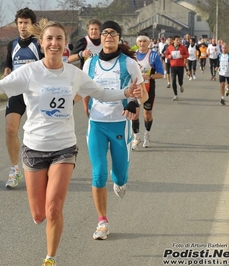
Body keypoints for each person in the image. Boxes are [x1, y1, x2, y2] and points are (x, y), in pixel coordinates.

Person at [0, 18, 145, 266]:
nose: (54, 43)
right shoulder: (29, 72)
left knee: (54, 209)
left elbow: (102, 93)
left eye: (59, 39)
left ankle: (50, 258)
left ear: (66, 45)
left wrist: (125, 93)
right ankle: (44, 225)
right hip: (34, 149)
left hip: (64, 148)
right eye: (49, 39)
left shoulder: (74, 74)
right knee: (39, 214)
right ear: (42, 43)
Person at [81, 21, 148, 241]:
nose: (108, 36)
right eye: (105, 33)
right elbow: (84, 90)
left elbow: (143, 94)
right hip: (97, 125)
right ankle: (102, 222)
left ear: (119, 38)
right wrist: (86, 106)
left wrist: (134, 103)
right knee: (98, 173)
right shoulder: (89, 63)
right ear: (100, 37)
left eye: (113, 33)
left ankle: (119, 180)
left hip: (120, 124)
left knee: (120, 175)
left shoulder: (129, 64)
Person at [2, 8, 43, 188]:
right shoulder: (12, 45)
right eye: (20, 22)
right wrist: (6, 77)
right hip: (17, 92)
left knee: (38, 132)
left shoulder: (39, 43)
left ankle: (43, 166)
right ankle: (14, 169)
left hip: (36, 93)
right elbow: (8, 67)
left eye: (26, 22)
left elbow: (47, 66)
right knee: (10, 129)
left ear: (32, 24)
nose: (23, 26)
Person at [131, 33, 164, 149]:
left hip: (148, 89)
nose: (142, 43)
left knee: (147, 114)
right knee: (134, 114)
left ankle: (147, 134)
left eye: (144, 41)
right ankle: (136, 137)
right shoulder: (132, 56)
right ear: (137, 43)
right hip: (135, 89)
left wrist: (149, 77)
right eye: (140, 41)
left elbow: (161, 74)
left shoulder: (153, 56)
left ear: (149, 43)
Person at [165, 35, 189, 101]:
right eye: (177, 40)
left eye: (179, 40)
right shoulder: (170, 47)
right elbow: (166, 55)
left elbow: (187, 55)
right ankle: (175, 95)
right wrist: (169, 56)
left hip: (180, 66)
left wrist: (182, 56)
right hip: (173, 66)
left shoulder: (183, 47)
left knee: (180, 80)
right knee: (173, 81)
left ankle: (181, 85)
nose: (178, 41)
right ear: (173, 41)